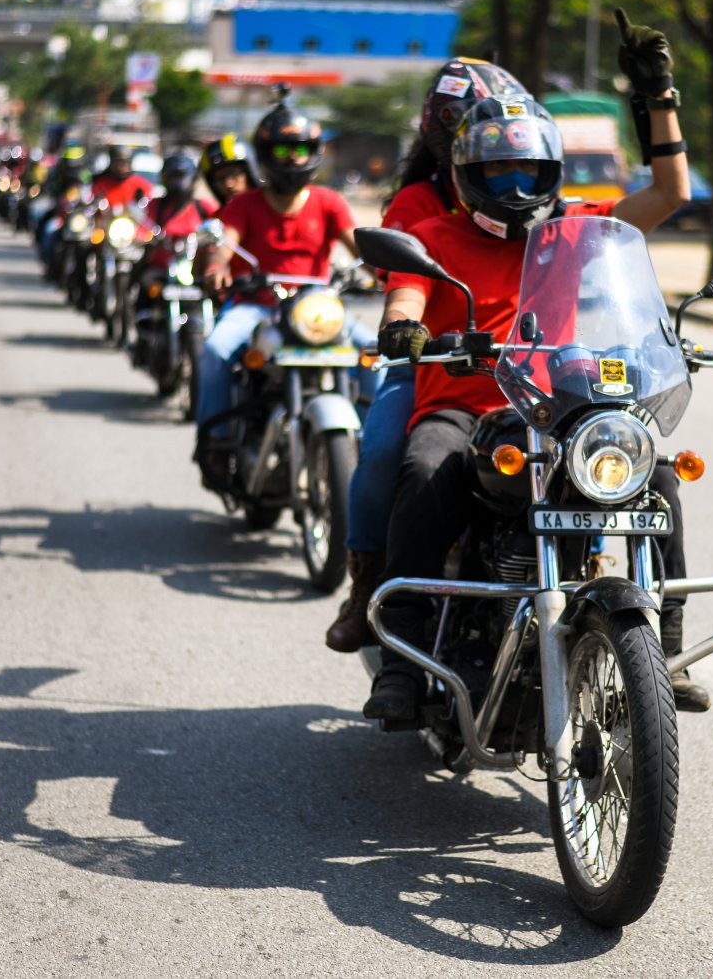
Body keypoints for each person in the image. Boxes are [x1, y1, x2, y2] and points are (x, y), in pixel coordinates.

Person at [364, 13, 709, 722]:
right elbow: (404, 292)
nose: (514, 182)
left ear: (552, 170)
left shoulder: (575, 227)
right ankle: (399, 660)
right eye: (497, 169)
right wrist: (402, 326)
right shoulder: (431, 234)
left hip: (559, 403)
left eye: (528, 168)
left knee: (658, 474)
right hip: (462, 406)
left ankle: (665, 650)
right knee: (425, 468)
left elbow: (669, 194)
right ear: (465, 172)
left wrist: (659, 95)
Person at [324, 56, 527, 653]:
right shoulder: (420, 206)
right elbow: (401, 287)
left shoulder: (542, 203)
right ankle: (370, 590)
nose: (502, 150)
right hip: (434, 365)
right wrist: (406, 331)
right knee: (389, 451)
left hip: (522, 378)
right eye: (480, 130)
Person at [193, 91, 372, 487]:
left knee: (378, 352)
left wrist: (386, 269)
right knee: (215, 349)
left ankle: (375, 443)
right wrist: (219, 266)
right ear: (265, 152)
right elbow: (225, 246)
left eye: (300, 148)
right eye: (282, 148)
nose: (292, 157)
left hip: (315, 307)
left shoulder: (328, 202)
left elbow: (358, 246)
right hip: (256, 304)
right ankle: (217, 444)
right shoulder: (244, 204)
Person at [195, 133, 256, 208]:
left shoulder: (272, 208)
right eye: (220, 179)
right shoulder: (219, 219)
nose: (228, 184)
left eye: (233, 174)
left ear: (249, 171)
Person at [89, 145, 154, 207]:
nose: (121, 166)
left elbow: (149, 203)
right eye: (118, 162)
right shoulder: (101, 184)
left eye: (125, 162)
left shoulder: (142, 185)